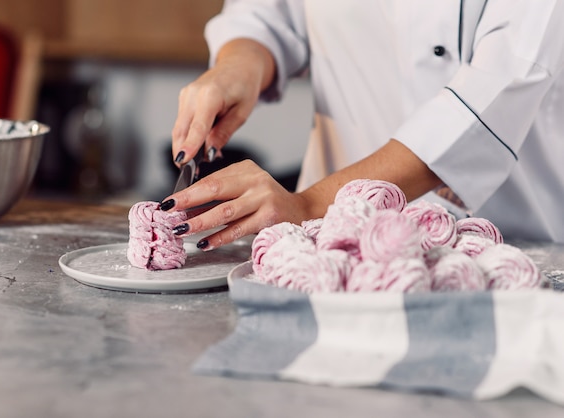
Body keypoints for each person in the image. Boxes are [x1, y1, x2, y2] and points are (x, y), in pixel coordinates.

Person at [159, 0, 564, 251]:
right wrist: (239, 65)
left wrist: (311, 205)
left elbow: (496, 92)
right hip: (333, 251)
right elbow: (267, 13)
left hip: (510, 251)